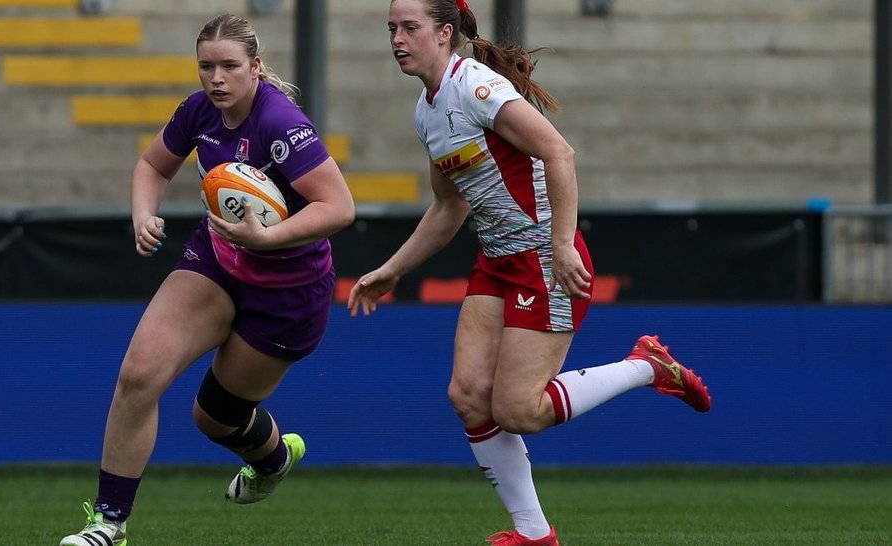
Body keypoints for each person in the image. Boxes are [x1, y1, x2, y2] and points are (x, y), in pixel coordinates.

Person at [348, 1, 714, 545]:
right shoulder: (427, 110)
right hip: (497, 261)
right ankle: (535, 535)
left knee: (520, 410)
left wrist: (563, 243)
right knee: (469, 396)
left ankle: (646, 366)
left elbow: (558, 152)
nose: (397, 39)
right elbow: (449, 208)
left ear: (445, 33)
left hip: (543, 259)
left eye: (410, 28)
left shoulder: (475, 87)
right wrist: (391, 269)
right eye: (392, 29)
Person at [60, 13, 355, 546]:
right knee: (137, 375)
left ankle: (273, 459)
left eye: (229, 66)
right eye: (206, 66)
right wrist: (143, 215)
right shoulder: (198, 111)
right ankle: (108, 523)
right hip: (217, 261)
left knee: (215, 417)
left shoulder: (280, 124)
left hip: (288, 292)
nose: (216, 78)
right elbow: (152, 165)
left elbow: (339, 206)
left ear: (256, 68)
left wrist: (268, 237)